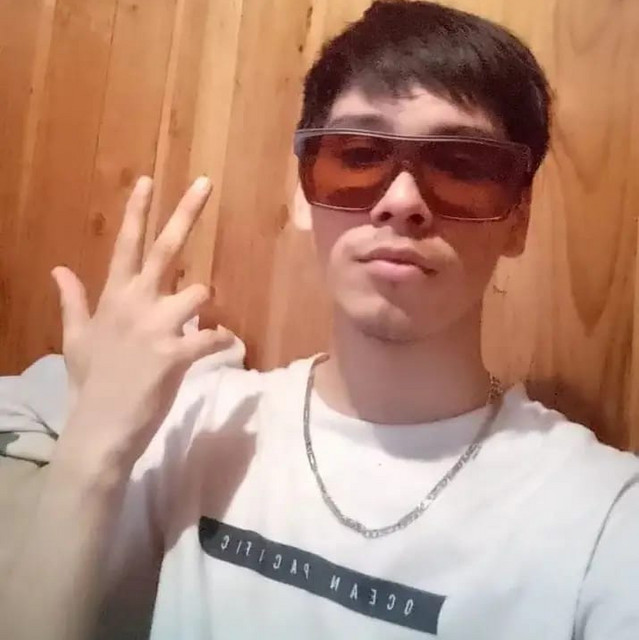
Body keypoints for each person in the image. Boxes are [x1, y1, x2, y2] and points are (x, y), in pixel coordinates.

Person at [3, 1, 638, 638]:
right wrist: (90, 449)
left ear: (518, 218)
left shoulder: (602, 522)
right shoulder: (195, 420)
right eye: (357, 156)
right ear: (303, 193)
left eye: (461, 166)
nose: (402, 202)